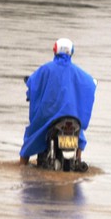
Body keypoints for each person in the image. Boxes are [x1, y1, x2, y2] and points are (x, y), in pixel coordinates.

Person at [20, 38, 97, 166]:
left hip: (49, 116)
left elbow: (32, 84)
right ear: (71, 52)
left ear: (55, 50)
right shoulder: (79, 73)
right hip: (72, 118)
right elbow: (91, 84)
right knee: (80, 136)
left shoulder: (45, 69)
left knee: (31, 135)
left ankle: (21, 166)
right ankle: (78, 159)